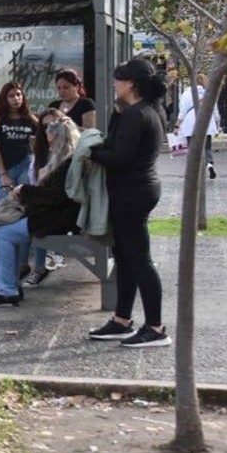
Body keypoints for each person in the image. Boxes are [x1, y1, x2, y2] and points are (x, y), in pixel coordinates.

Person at [87, 58, 171, 348]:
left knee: (139, 259)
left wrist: (91, 153)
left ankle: (156, 328)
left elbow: (119, 157)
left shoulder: (138, 114)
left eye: (118, 79)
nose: (114, 84)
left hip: (133, 193)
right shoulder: (145, 110)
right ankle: (122, 320)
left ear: (131, 84)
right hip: (135, 190)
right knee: (124, 257)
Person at [0, 110, 82, 306]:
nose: (50, 146)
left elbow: (57, 197)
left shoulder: (67, 162)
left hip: (59, 218)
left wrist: (24, 190)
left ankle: (7, 290)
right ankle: (9, 286)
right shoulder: (68, 159)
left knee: (3, 233)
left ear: (60, 139)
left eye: (52, 141)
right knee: (4, 228)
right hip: (60, 214)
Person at [0, 82, 38, 194]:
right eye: (11, 96)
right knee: (6, 203)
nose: (16, 99)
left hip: (25, 165)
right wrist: (3, 174)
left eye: (19, 95)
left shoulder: (28, 117)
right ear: (4, 98)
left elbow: (43, 135)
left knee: (25, 202)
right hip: (5, 168)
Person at [175, 73, 219, 179]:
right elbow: (215, 111)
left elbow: (183, 111)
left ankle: (193, 170)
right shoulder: (209, 93)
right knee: (207, 147)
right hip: (206, 123)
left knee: (192, 148)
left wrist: (177, 125)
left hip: (190, 124)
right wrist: (217, 125)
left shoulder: (186, 94)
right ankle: (209, 164)